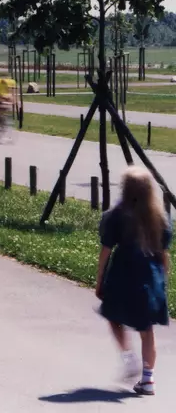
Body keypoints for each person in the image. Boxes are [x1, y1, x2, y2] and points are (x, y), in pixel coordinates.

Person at [96, 167, 171, 397]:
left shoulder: (117, 215)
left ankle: (129, 358)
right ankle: (148, 379)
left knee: (112, 315)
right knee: (146, 329)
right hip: (150, 276)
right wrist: (163, 281)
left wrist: (100, 279)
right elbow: (164, 255)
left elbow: (106, 250)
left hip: (123, 273)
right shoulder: (159, 218)